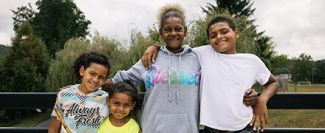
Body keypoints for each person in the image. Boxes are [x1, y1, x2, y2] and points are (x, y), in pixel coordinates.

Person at [141, 15, 279, 132]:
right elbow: (175, 49)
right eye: (213, 35)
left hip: (244, 126)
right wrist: (155, 47)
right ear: (209, 40)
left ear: (236, 32)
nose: (219, 37)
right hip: (211, 129)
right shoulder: (203, 53)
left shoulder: (252, 61)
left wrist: (261, 100)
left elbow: (272, 83)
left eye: (224, 32)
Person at [105, 4, 201, 133]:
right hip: (152, 128)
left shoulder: (197, 58)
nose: (173, 33)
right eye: (167, 30)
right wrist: (83, 89)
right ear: (161, 33)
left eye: (178, 29)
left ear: (185, 31)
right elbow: (120, 79)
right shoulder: (150, 58)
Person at [48, 52, 111, 133]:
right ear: (82, 71)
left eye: (101, 77)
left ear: (105, 80)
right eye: (92, 74)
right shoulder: (64, 94)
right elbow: (53, 129)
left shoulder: (107, 99)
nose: (95, 80)